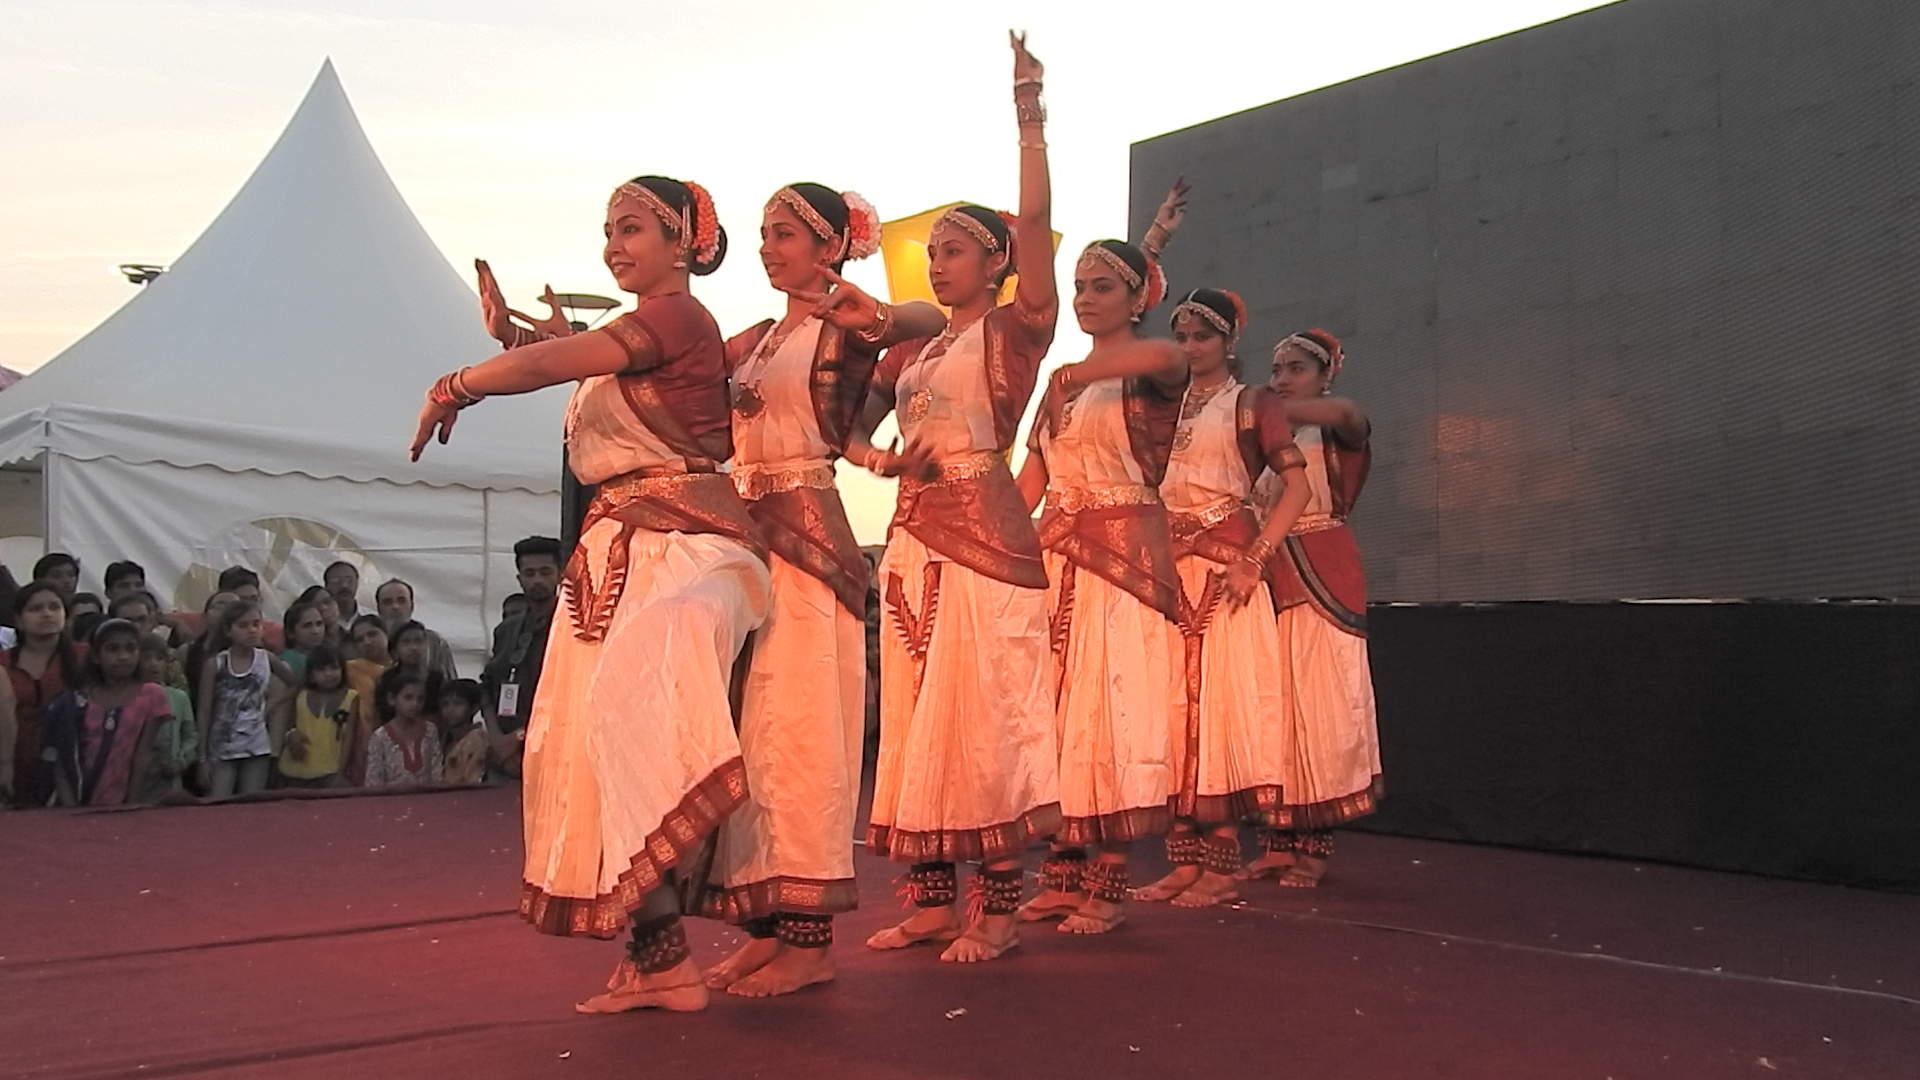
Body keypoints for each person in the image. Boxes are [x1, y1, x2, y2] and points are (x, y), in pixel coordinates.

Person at [414, 170, 770, 1015]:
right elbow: (569, 358)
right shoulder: (630, 341)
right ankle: (659, 958)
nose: (613, 244)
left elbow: (552, 364)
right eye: (608, 230)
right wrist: (521, 338)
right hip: (611, 557)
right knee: (582, 745)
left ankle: (731, 916)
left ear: (682, 243)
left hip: (683, 546)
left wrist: (457, 383)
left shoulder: (679, 317)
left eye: (632, 228)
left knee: (632, 706)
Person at [694, 181, 944, 998]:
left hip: (805, 539)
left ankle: (811, 940)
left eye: (785, 235)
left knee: (798, 731)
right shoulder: (759, 338)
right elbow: (679, 366)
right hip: (744, 539)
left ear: (831, 246)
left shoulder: (846, 326)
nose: (767, 248)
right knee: (747, 731)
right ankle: (767, 926)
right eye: (764, 234)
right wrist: (553, 344)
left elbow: (924, 319)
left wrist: (873, 315)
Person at [846, 33, 1061, 965]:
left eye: (956, 251)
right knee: (917, 712)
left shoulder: (1016, 331)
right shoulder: (916, 350)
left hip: (985, 533)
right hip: (912, 537)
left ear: (998, 262)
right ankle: (933, 900)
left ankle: (1000, 903)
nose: (937, 264)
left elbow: (1037, 218)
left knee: (987, 710)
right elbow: (844, 423)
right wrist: (874, 458)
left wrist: (1029, 115)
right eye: (931, 252)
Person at [1013, 215, 1195, 935]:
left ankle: (1109, 884)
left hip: (1125, 561)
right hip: (1058, 556)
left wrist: (1077, 372)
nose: (1084, 299)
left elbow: (1166, 358)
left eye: (1101, 288)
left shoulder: (1148, 372)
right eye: (1079, 287)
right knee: (1056, 713)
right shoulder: (1061, 385)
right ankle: (1062, 875)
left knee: (1114, 712)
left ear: (1136, 298)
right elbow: (1030, 480)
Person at [1127, 289, 1311, 908]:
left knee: (1220, 709)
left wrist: (1255, 559)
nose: (1189, 347)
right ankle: (1183, 861)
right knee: (1170, 709)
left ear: (1229, 342)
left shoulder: (1251, 404)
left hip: (1224, 570)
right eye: (1180, 336)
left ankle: (1222, 864)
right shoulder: (1162, 406)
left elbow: (1297, 488)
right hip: (1165, 568)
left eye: (1202, 336)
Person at [1241, 328, 1382, 888]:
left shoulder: (1339, 427)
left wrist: (1255, 409)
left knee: (1321, 710)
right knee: (1272, 712)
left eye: (1296, 369)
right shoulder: (1268, 441)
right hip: (1268, 577)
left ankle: (1315, 844)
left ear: (1326, 375)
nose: (1281, 379)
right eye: (1276, 370)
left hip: (1324, 575)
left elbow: (1347, 414)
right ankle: (1276, 841)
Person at [42, 619, 177, 806]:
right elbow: (62, 760)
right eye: (113, 649)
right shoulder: (76, 700)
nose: (123, 656)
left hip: (124, 796)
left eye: (131, 649)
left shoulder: (151, 695)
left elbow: (142, 755)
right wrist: (70, 806)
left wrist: (132, 803)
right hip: (76, 795)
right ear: (96, 656)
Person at [197, 600, 296, 798]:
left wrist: (270, 705)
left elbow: (294, 684)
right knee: (219, 799)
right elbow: (204, 711)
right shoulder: (216, 664)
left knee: (252, 801)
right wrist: (202, 757)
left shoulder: (266, 659)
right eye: (243, 625)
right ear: (228, 630)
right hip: (223, 747)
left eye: (256, 624)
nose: (251, 630)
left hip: (256, 746)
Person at [4, 583, 85, 805]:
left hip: (70, 763)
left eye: (54, 607)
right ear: (18, 620)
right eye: (36, 609)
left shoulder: (86, 657)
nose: (47, 614)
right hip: (13, 760)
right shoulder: (3, 663)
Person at [481, 538, 562, 743]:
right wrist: (498, 739)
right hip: (508, 741)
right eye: (529, 573)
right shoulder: (506, 630)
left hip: (555, 738)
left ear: (559, 575)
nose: (537, 580)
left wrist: (520, 737)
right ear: (519, 579)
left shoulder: (572, 628)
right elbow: (487, 687)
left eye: (545, 572)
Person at [277, 644, 357, 789]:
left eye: (334, 668)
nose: (328, 674)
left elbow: (348, 740)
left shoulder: (351, 698)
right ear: (311, 675)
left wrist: (340, 773)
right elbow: (289, 726)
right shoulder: (300, 695)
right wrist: (291, 735)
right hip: (293, 771)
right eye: (321, 670)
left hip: (330, 772)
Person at [138, 635, 198, 793]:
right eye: (147, 658)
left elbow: (191, 736)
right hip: (138, 777)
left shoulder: (179, 697)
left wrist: (180, 761)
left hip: (170, 775)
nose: (153, 664)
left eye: (159, 658)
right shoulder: (131, 696)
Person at [364, 668, 442, 788]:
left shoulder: (430, 731)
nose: (415, 704)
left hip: (427, 797)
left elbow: (436, 772)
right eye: (408, 698)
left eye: (420, 699)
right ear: (392, 699)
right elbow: (373, 781)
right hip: (391, 798)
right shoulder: (380, 737)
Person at [342, 613, 394, 782]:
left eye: (372, 634)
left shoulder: (402, 670)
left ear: (386, 634)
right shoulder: (349, 670)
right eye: (360, 639)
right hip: (362, 748)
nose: (367, 642)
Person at [374, 579, 458, 679]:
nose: (395, 607)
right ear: (379, 608)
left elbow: (450, 682)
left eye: (401, 600)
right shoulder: (369, 640)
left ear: (412, 606)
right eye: (387, 602)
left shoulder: (435, 642)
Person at [218, 567, 285, 651]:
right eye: (242, 600)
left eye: (254, 599)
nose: (250, 606)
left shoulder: (276, 634)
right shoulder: (210, 631)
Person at [437, 677, 489, 786]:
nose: (450, 710)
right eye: (445, 704)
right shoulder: (446, 738)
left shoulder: (477, 739)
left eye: (458, 704)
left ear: (474, 708)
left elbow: (473, 779)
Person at [279, 600, 328, 681]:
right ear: (290, 633)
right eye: (307, 626)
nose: (315, 631)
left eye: (319, 624)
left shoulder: (330, 655)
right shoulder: (286, 663)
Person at [324, 561, 362, 632]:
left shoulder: (372, 617)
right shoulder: (320, 620)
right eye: (336, 581)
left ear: (357, 583)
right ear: (326, 586)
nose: (344, 585)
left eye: (349, 580)